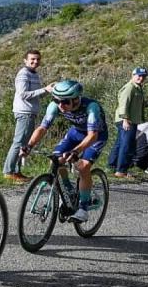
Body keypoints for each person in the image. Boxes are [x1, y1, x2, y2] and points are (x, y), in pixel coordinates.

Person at [19, 80, 108, 223]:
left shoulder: (92, 107)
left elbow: (93, 135)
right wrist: (29, 146)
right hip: (76, 133)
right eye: (56, 100)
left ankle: (83, 209)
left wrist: (76, 151)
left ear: (76, 99)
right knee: (55, 159)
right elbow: (42, 128)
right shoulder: (56, 106)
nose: (61, 105)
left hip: (95, 136)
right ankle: (69, 189)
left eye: (65, 102)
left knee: (82, 166)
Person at [2, 49, 54, 183]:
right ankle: (9, 172)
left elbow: (36, 94)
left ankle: (17, 172)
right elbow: (23, 94)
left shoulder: (34, 74)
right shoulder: (23, 74)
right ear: (25, 60)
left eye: (37, 59)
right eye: (32, 59)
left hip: (30, 112)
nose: (35, 61)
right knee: (19, 142)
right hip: (24, 112)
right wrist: (44, 89)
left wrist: (48, 90)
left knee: (23, 144)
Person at [108, 67, 148, 178]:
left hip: (128, 120)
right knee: (127, 145)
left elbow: (138, 105)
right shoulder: (130, 88)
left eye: (143, 76)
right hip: (127, 120)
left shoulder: (138, 88)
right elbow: (124, 104)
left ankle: (112, 166)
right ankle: (121, 171)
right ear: (133, 75)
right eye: (139, 75)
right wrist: (125, 119)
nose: (141, 78)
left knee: (120, 144)